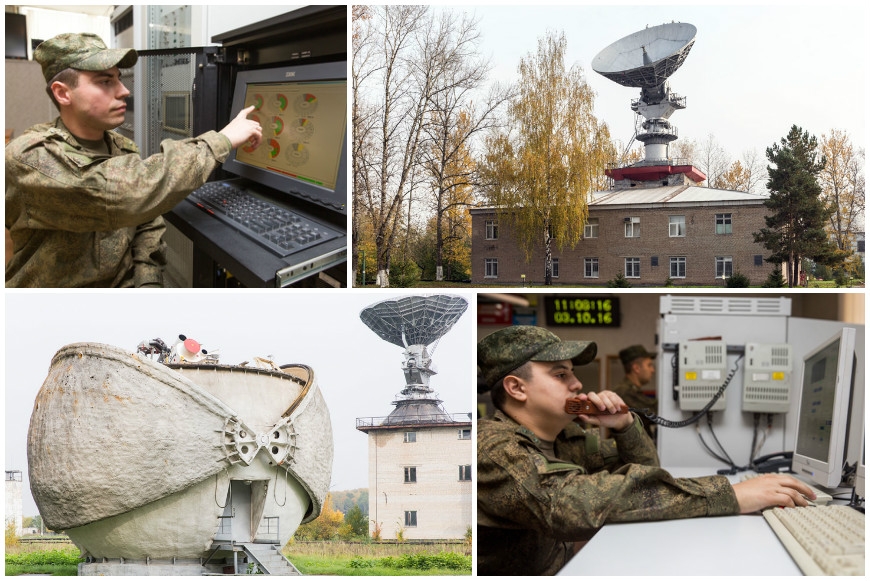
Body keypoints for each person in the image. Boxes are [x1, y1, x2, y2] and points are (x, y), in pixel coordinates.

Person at [477, 325, 815, 576]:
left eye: (573, 374)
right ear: (516, 388)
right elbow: (569, 505)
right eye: (560, 374)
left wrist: (625, 425)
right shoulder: (493, 448)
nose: (577, 384)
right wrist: (729, 494)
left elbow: (647, 471)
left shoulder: (565, 439)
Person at [5, 33, 263, 287]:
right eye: (106, 82)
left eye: (119, 79)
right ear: (63, 93)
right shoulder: (29, 157)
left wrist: (147, 282)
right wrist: (222, 140)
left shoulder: (121, 147)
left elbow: (146, 223)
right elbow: (126, 194)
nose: (124, 91)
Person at [612, 344, 658, 438]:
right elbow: (656, 413)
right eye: (649, 365)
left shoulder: (632, 390)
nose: (652, 370)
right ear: (636, 368)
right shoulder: (625, 392)